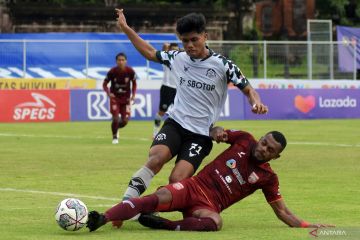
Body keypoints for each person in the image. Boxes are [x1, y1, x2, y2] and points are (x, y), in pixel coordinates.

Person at [116, 9, 268, 201]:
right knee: (156, 159)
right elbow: (148, 52)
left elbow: (248, 90)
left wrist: (257, 103)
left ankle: (147, 207)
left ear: (205, 36)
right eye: (185, 41)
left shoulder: (223, 65)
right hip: (176, 124)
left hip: (201, 134)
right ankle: (127, 203)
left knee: (177, 179)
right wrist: (126, 28)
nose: (189, 45)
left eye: (194, 39)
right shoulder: (177, 58)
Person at [86, 128, 334, 232]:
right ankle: (103, 217)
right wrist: (217, 131)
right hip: (194, 186)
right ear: (260, 138)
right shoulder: (245, 139)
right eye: (264, 143)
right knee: (154, 198)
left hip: (207, 206)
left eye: (270, 150)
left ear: (276, 157)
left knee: (216, 221)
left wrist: (308, 226)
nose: (263, 149)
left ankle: (166, 226)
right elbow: (219, 131)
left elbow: (283, 212)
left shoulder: (268, 178)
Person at [103, 52, 137, 144]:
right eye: (119, 60)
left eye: (123, 60)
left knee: (125, 121)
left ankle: (116, 127)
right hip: (115, 99)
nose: (121, 62)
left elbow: (134, 83)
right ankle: (114, 137)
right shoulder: (112, 72)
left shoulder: (130, 71)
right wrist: (108, 93)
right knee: (115, 118)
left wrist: (133, 95)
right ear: (116, 61)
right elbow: (104, 84)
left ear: (126, 61)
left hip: (126, 99)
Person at [153, 42, 180, 138]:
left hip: (179, 89)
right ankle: (155, 132)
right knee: (162, 111)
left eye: (177, 50)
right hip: (167, 88)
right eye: (173, 50)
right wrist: (165, 47)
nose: (175, 52)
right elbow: (162, 51)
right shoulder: (166, 60)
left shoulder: (182, 61)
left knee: (179, 112)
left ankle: (176, 133)